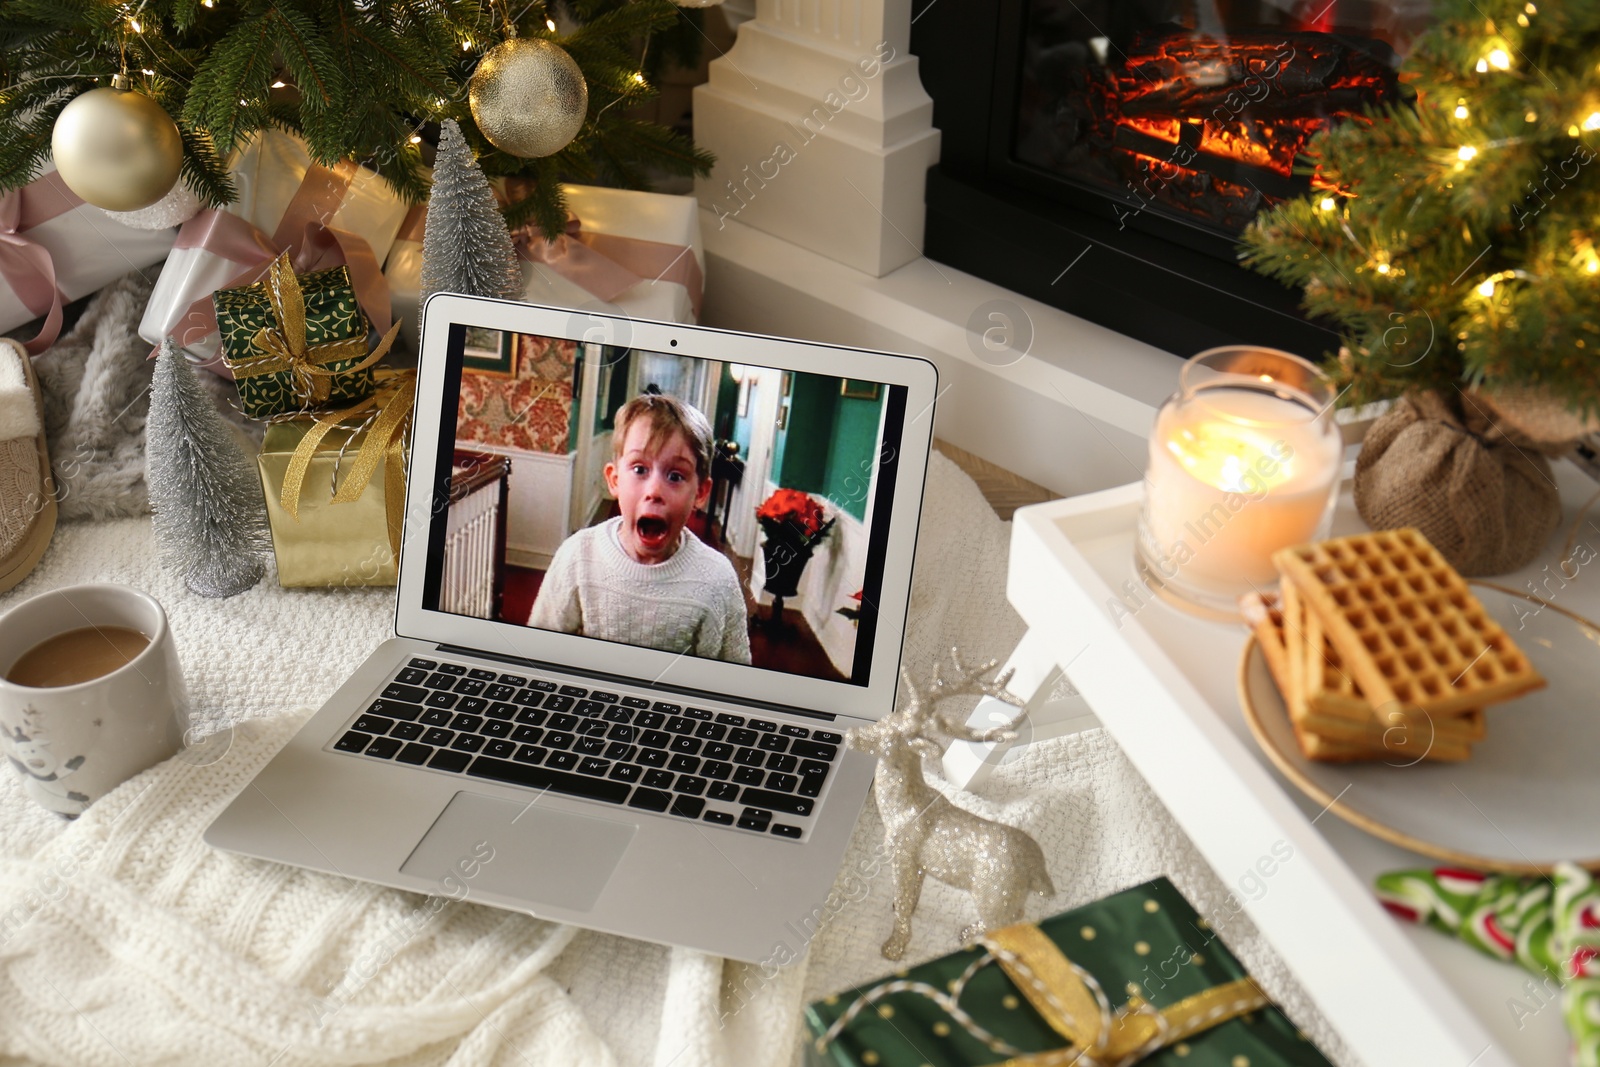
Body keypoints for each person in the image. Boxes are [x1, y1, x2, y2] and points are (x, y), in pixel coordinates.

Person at [529, 393, 752, 664]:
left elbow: (731, 677)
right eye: (639, 469)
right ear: (614, 480)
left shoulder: (717, 580)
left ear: (701, 493)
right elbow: (538, 651)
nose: (654, 491)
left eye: (675, 476)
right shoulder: (577, 557)